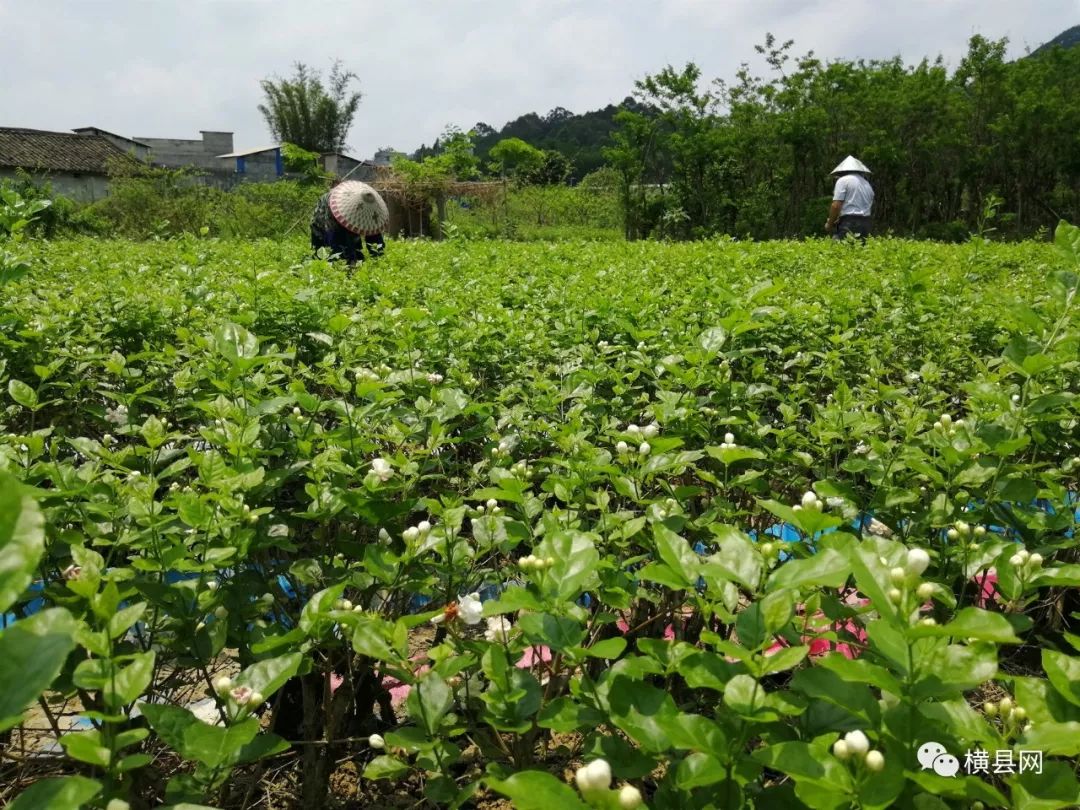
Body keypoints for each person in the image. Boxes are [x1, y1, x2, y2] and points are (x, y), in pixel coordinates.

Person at [310, 180, 389, 266]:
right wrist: (350, 260)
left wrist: (378, 260)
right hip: (324, 224)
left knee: (357, 251)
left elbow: (374, 237)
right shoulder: (333, 205)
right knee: (331, 256)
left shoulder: (371, 209)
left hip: (348, 218)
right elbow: (335, 240)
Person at [825, 156, 874, 242]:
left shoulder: (843, 180)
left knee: (839, 250)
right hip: (866, 223)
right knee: (860, 252)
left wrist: (829, 224)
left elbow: (836, 205)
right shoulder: (867, 184)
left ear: (842, 171)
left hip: (850, 223)